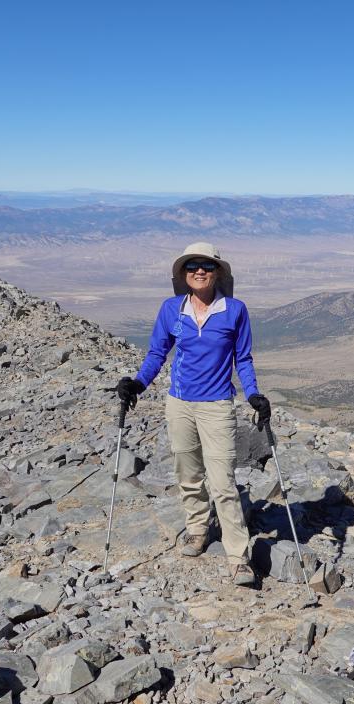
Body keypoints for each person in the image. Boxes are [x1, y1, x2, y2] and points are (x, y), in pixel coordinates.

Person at [115, 242, 271, 587]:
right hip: (179, 403)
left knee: (223, 483)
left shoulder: (234, 310)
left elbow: (242, 359)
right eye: (192, 266)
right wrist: (138, 384)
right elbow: (157, 352)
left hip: (217, 405)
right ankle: (198, 531)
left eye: (206, 265)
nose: (199, 271)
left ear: (218, 272)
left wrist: (254, 394)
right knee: (188, 473)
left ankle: (237, 557)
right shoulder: (172, 309)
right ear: (183, 275)